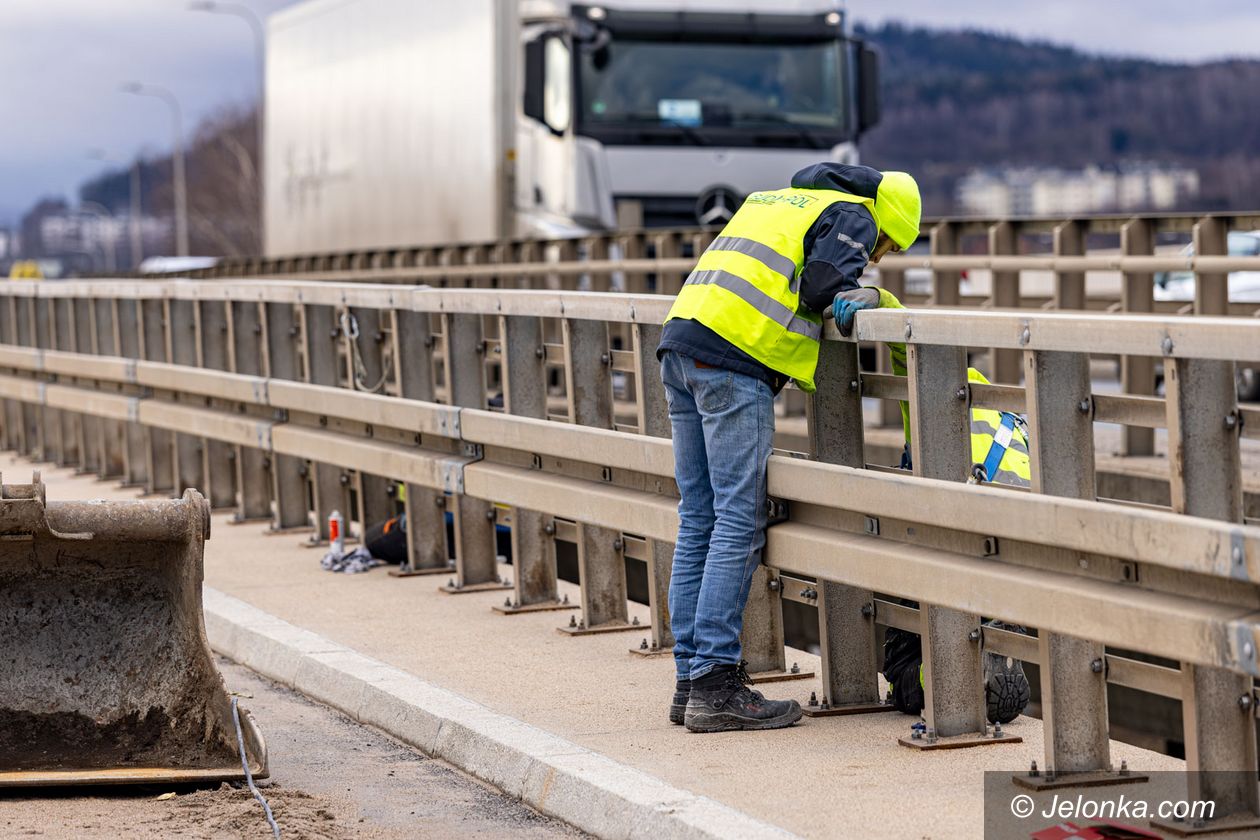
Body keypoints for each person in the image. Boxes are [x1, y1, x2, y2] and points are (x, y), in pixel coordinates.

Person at [658, 162, 921, 733]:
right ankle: (715, 685)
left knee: (699, 516)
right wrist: (870, 294)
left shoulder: (776, 200)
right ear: (884, 220)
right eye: (885, 247)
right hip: (735, 361)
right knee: (736, 519)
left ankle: (689, 682)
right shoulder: (851, 215)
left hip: (680, 345)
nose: (877, 256)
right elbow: (825, 286)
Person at [839, 287, 1033, 723]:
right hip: (1015, 557)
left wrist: (876, 298)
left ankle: (945, 674)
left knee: (901, 675)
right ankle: (994, 642)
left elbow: (905, 341)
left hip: (945, 541)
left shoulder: (928, 395)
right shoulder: (1012, 418)